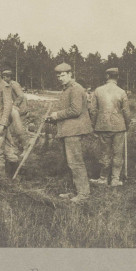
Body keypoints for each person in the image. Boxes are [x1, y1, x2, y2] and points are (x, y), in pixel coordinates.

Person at [48, 62, 93, 204]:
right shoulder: (66, 89)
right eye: (58, 76)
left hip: (74, 130)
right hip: (67, 129)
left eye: (62, 75)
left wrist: (57, 115)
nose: (60, 78)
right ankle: (75, 190)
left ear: (70, 74)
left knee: (76, 162)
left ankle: (83, 194)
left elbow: (75, 110)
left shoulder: (75, 89)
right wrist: (53, 118)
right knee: (70, 162)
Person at [89, 68, 130, 186]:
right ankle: (115, 179)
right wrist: (127, 125)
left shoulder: (98, 91)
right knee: (118, 153)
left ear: (107, 76)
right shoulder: (121, 92)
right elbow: (126, 112)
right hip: (119, 127)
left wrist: (94, 124)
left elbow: (92, 110)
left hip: (103, 126)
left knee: (105, 153)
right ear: (117, 77)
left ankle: (103, 178)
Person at [1, 68, 30, 150]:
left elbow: (20, 96)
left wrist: (14, 104)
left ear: (9, 77)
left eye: (5, 77)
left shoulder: (14, 84)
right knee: (14, 127)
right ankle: (18, 144)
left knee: (19, 127)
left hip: (21, 108)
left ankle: (25, 145)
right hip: (17, 108)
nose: (3, 79)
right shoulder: (8, 85)